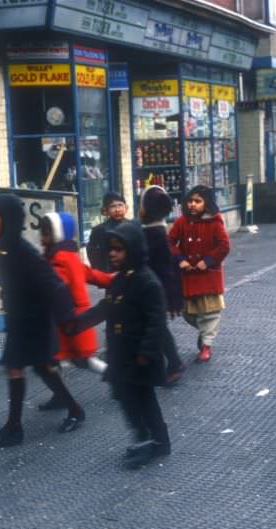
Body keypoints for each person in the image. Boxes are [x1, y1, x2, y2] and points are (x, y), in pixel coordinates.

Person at [0, 194, 84, 448]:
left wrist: (67, 320)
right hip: (19, 319)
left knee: (23, 367)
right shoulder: (2, 246)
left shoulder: (23, 251)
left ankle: (16, 428)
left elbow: (56, 286)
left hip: (35, 320)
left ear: (8, 221)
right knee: (37, 367)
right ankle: (69, 409)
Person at [71, 221, 171, 469]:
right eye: (111, 249)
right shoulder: (120, 280)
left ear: (134, 249)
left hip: (139, 359)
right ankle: (143, 439)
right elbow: (106, 307)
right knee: (126, 400)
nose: (113, 254)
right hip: (121, 357)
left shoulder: (147, 283)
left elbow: (156, 322)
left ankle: (157, 442)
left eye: (119, 249)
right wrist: (80, 322)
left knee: (145, 402)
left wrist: (146, 354)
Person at [37, 211, 113, 411]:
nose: (42, 238)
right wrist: (113, 279)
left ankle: (119, 379)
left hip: (71, 320)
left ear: (57, 234)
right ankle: (59, 395)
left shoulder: (59, 258)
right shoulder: (68, 255)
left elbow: (54, 284)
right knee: (57, 360)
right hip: (71, 319)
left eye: (46, 233)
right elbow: (90, 274)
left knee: (83, 361)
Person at [167, 185, 230, 363]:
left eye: (198, 201)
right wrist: (180, 259)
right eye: (190, 201)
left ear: (206, 203)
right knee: (188, 312)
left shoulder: (215, 222)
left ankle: (206, 346)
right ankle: (204, 333)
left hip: (208, 276)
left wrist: (208, 261)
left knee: (210, 313)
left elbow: (224, 246)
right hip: (188, 275)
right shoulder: (181, 222)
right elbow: (169, 241)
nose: (193, 205)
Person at [138, 185, 185, 384]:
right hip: (151, 289)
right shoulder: (153, 232)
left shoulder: (154, 234)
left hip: (153, 291)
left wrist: (172, 299)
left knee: (156, 328)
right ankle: (164, 363)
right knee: (153, 328)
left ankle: (173, 362)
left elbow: (166, 270)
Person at [86, 192, 127, 272]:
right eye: (113, 206)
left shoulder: (132, 226)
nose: (117, 210)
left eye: (120, 205)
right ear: (106, 210)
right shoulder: (99, 230)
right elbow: (93, 254)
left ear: (125, 207)